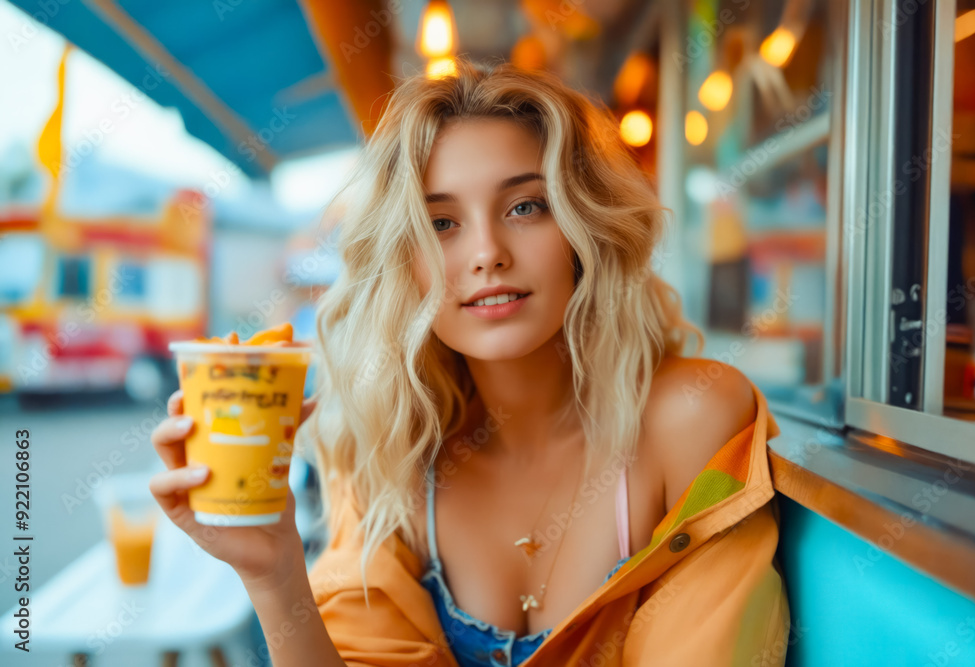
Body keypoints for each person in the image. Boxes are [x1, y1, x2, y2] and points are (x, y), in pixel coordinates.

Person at [149, 56, 790, 667]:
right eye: (441, 223)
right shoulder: (388, 453)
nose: (486, 252)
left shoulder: (693, 417)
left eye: (524, 207)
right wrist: (276, 572)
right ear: (404, 262)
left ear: (583, 230)